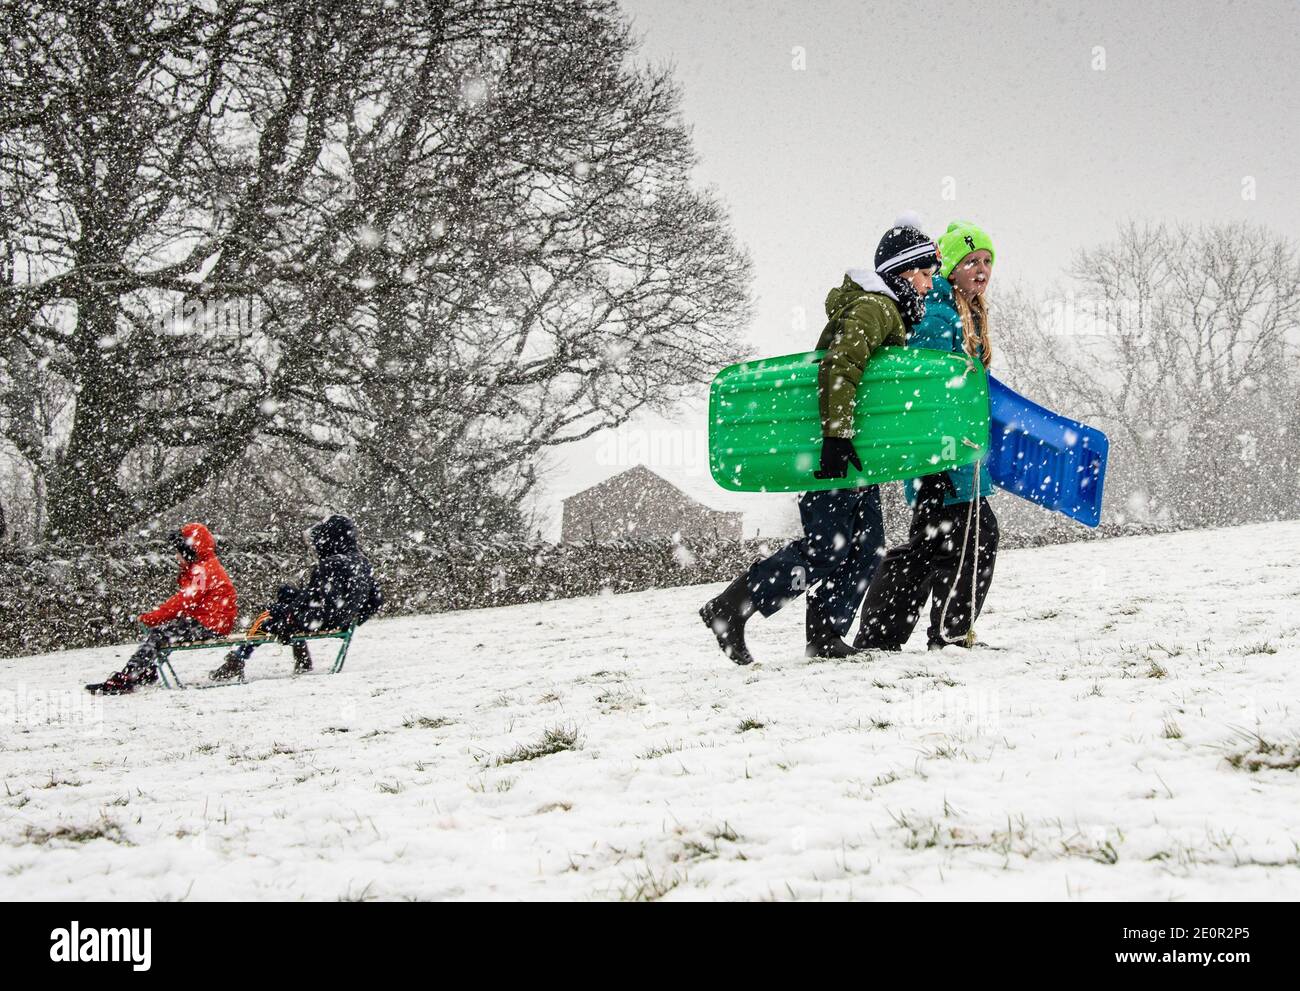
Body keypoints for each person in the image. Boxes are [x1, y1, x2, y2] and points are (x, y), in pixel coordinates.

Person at [700, 216, 943, 664]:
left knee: (866, 549)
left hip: (855, 454)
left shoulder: (888, 311)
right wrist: (836, 437)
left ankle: (826, 637)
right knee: (825, 548)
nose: (929, 286)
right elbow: (840, 367)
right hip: (835, 450)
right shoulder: (877, 307)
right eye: (926, 274)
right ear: (903, 272)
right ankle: (731, 607)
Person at [854, 220, 999, 652]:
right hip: (943, 452)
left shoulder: (958, 310)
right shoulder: (939, 314)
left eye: (987, 260)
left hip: (941, 453)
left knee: (928, 546)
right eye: (970, 261)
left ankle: (881, 637)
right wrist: (943, 443)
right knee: (974, 536)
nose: (981, 268)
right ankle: (949, 635)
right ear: (949, 269)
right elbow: (923, 386)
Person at [208, 514, 383, 681]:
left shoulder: (331, 564)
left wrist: (289, 614)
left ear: (329, 539)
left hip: (321, 619)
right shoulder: (361, 562)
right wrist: (352, 618)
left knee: (268, 615)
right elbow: (376, 599)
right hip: (336, 618)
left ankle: (237, 659)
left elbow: (314, 599)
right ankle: (302, 658)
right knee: (286, 592)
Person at [87, 523, 237, 694]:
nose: (176, 556)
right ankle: (142, 671)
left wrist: (152, 617)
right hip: (212, 621)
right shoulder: (204, 567)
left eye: (178, 551)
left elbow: (184, 601)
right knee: (162, 632)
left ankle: (130, 676)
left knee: (160, 633)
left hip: (210, 623)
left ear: (189, 549)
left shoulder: (203, 570)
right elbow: (188, 601)